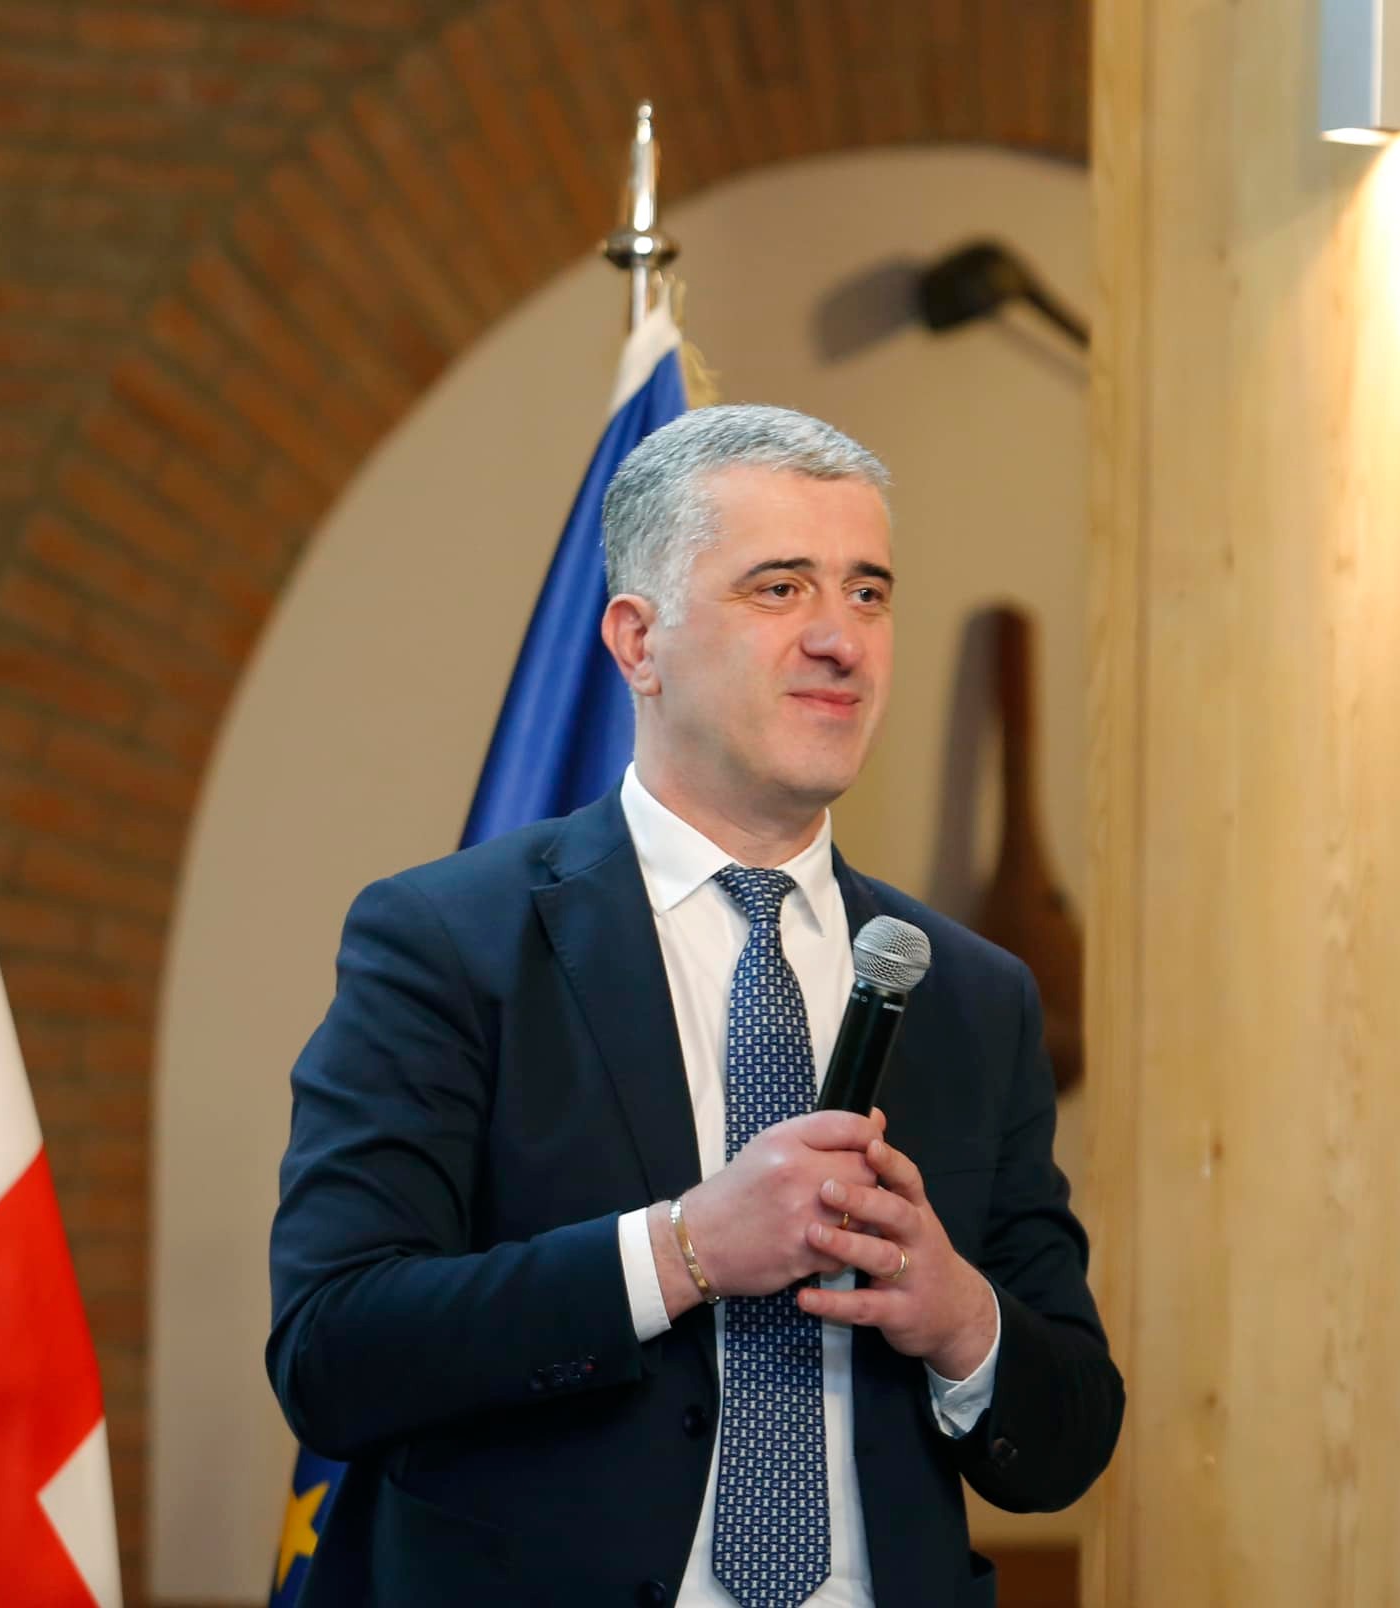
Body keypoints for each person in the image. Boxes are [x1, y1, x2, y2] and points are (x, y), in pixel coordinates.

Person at [267, 405, 1124, 1607]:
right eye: (779, 588)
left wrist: (959, 1318)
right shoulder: (449, 945)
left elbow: (1071, 1436)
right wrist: (680, 1251)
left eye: (868, 593)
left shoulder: (969, 994)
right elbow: (334, 1352)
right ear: (637, 641)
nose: (839, 639)